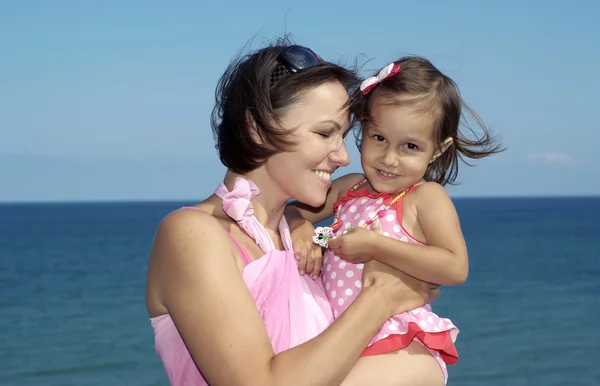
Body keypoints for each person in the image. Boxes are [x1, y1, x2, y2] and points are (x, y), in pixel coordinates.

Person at [145, 39, 442, 386]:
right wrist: (381, 296)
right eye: (324, 133)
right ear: (257, 129)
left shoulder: (304, 245)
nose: (343, 157)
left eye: (344, 136)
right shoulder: (193, 234)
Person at [290, 57, 504, 385]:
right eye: (379, 138)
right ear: (363, 129)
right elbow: (293, 210)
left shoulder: (425, 198)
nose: (390, 158)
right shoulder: (351, 187)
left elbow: (455, 266)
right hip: (348, 340)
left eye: (410, 146)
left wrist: (377, 246)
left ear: (436, 150)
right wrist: (302, 227)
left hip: (402, 343)